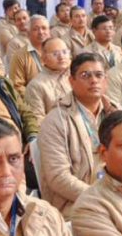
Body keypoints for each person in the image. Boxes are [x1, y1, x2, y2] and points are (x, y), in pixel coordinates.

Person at [36, 53, 111, 218]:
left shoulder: (115, 113)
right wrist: (103, 198)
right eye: (85, 75)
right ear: (71, 81)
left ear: (106, 80)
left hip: (116, 195)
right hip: (76, 203)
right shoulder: (56, 120)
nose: (93, 80)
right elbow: (58, 177)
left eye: (99, 75)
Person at [24, 37, 73, 131]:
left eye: (64, 52)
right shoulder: (36, 85)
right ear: (43, 58)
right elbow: (37, 120)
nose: (61, 57)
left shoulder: (77, 76)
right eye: (55, 54)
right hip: (56, 134)